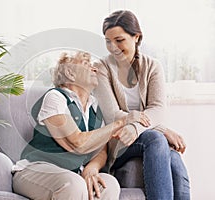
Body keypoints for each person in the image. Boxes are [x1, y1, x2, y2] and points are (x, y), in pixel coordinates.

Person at [11, 51, 149, 200]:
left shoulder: (94, 106)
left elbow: (101, 148)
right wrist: (123, 121)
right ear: (70, 73)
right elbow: (78, 142)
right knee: (74, 185)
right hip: (36, 170)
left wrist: (92, 167)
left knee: (109, 184)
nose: (94, 68)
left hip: (73, 174)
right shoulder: (56, 97)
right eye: (86, 64)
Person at [94, 10, 190, 200]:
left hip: (139, 133)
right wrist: (160, 130)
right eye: (108, 41)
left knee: (175, 161)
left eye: (119, 40)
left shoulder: (153, 66)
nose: (113, 47)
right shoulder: (102, 68)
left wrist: (138, 128)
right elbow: (112, 113)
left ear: (136, 37)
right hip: (116, 139)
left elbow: (158, 108)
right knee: (155, 139)